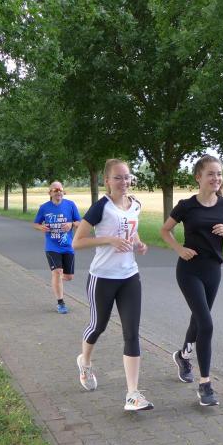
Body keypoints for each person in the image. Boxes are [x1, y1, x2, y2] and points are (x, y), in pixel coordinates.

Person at [159, 154, 223, 406]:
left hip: (213, 271)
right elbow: (165, 230)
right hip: (189, 270)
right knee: (206, 323)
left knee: (198, 318)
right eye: (211, 174)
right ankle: (205, 384)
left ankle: (183, 356)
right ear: (199, 177)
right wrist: (179, 249)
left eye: (219, 174)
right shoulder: (186, 205)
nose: (216, 178)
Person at [72, 159, 152, 412]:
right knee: (98, 326)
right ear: (107, 181)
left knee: (132, 333)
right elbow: (77, 242)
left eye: (127, 177)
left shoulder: (135, 204)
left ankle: (132, 394)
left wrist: (138, 244)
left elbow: (132, 231)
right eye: (118, 177)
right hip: (102, 277)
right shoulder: (101, 207)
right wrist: (109, 240)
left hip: (129, 276)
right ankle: (85, 362)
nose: (123, 182)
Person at [33, 181, 82, 314]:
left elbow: (79, 222)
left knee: (69, 276)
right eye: (55, 190)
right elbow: (36, 224)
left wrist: (71, 224)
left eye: (60, 189)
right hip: (52, 246)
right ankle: (61, 303)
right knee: (57, 271)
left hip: (68, 246)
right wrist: (41, 227)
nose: (59, 192)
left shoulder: (70, 205)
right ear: (50, 193)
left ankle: (55, 281)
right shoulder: (44, 207)